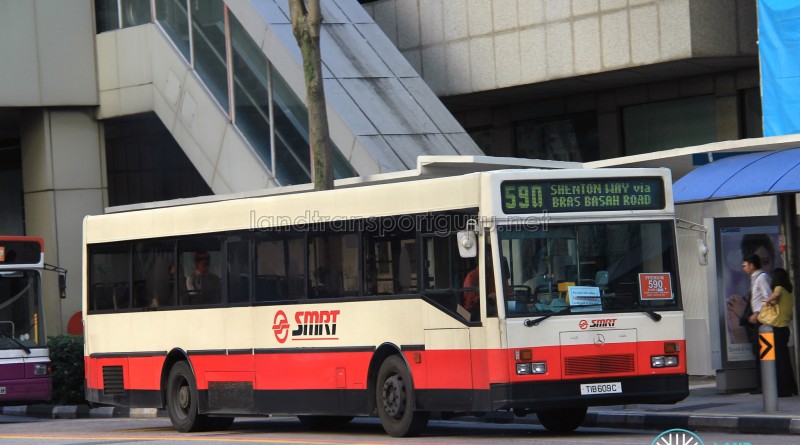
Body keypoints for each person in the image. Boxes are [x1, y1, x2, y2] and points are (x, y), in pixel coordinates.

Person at [762, 268, 797, 397]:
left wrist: (767, 301)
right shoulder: (789, 291)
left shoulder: (779, 288)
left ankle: (783, 389)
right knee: (785, 359)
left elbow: (775, 294)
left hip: (777, 327)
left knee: (779, 360)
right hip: (785, 328)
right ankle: (792, 387)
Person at [742, 253, 771, 393]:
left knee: (762, 353)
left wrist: (758, 314)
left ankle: (764, 385)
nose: (744, 268)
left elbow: (768, 298)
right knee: (757, 352)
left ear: (752, 265)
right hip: (756, 321)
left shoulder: (762, 278)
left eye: (745, 265)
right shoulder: (754, 279)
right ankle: (761, 384)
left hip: (761, 321)